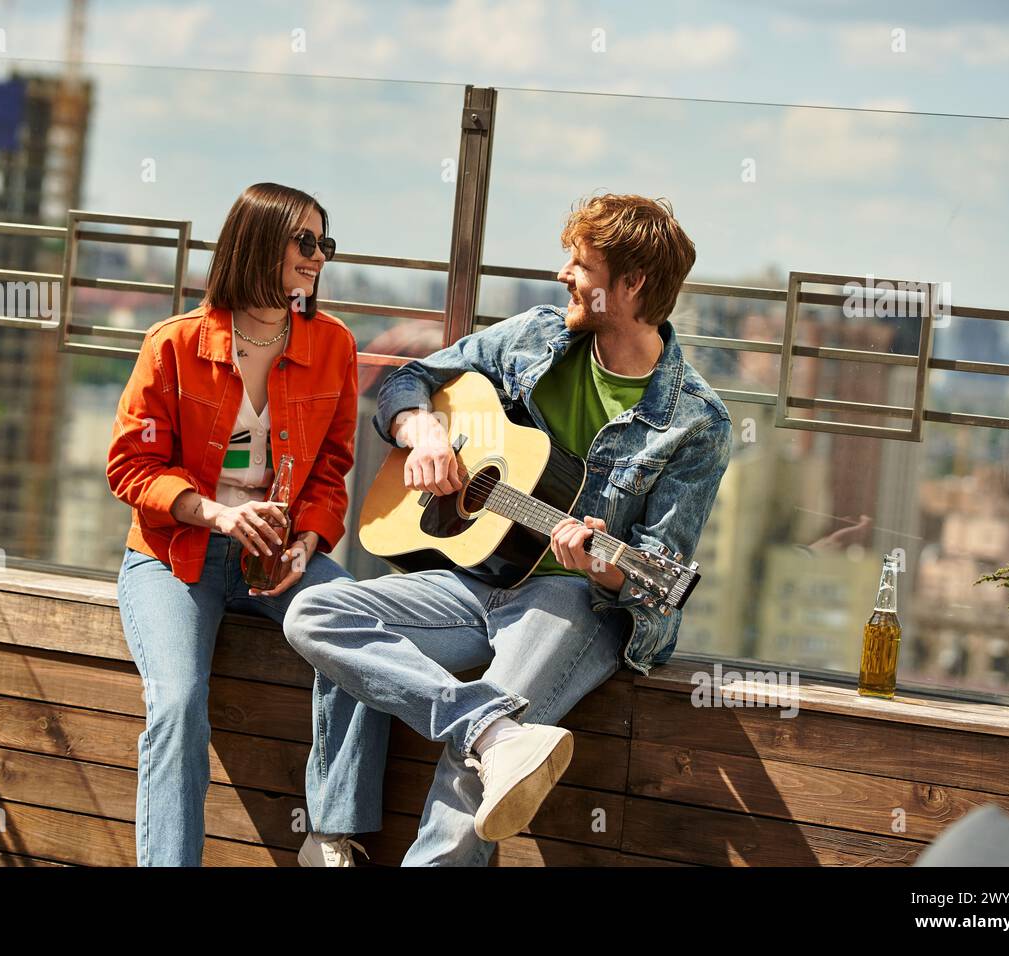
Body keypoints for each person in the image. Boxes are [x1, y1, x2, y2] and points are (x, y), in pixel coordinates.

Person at [284, 192, 733, 866]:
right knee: (315, 613)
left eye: (580, 264)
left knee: (471, 777)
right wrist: (425, 428)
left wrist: (603, 564)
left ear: (631, 285)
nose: (562, 275)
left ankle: (485, 741)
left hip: (572, 602)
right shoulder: (537, 336)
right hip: (473, 580)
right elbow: (409, 380)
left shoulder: (696, 422)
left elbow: (654, 577)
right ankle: (488, 730)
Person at [106, 182, 360, 866]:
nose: (317, 257)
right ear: (258, 241)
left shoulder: (332, 344)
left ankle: (329, 835)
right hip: (174, 556)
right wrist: (215, 511)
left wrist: (309, 539)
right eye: (304, 242)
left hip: (278, 557)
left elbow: (334, 465)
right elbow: (131, 466)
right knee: (180, 703)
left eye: (324, 243)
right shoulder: (174, 344)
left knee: (360, 635)